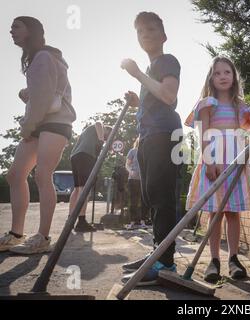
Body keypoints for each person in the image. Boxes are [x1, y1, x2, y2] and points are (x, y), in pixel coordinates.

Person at [0, 17, 76, 254]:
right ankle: (16, 233)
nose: (11, 31)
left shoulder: (43, 57)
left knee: (43, 175)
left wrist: (26, 126)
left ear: (31, 31)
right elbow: (44, 92)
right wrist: (29, 94)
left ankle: (43, 237)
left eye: (16, 26)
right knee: (15, 175)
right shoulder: (40, 58)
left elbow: (43, 99)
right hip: (42, 123)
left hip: (54, 123)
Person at [120, 12, 182, 286]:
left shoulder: (167, 61)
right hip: (147, 137)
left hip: (164, 135)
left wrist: (137, 75)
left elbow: (169, 96)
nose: (145, 33)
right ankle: (157, 252)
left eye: (152, 29)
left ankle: (165, 262)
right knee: (150, 196)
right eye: (140, 30)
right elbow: (156, 96)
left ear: (163, 36)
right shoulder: (151, 70)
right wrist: (138, 100)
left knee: (161, 195)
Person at [185, 57, 250, 283]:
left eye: (227, 72)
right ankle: (214, 259)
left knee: (232, 212)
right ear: (211, 78)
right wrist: (209, 162)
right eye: (217, 73)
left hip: (235, 162)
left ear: (234, 76)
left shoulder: (240, 106)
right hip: (214, 161)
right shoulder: (207, 104)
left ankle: (234, 258)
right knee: (215, 212)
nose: (223, 76)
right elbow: (204, 134)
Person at [69, 122, 112, 232]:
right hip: (85, 156)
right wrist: (102, 140)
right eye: (109, 137)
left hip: (76, 156)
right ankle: (81, 221)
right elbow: (98, 123)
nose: (107, 140)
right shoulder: (99, 127)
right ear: (108, 131)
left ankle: (70, 219)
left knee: (78, 188)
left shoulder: (89, 133)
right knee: (85, 189)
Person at [125, 138, 150, 230]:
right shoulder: (132, 151)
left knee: (144, 200)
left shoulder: (147, 151)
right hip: (133, 179)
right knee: (133, 200)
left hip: (144, 179)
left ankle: (143, 221)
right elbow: (127, 164)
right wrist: (130, 171)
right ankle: (132, 222)